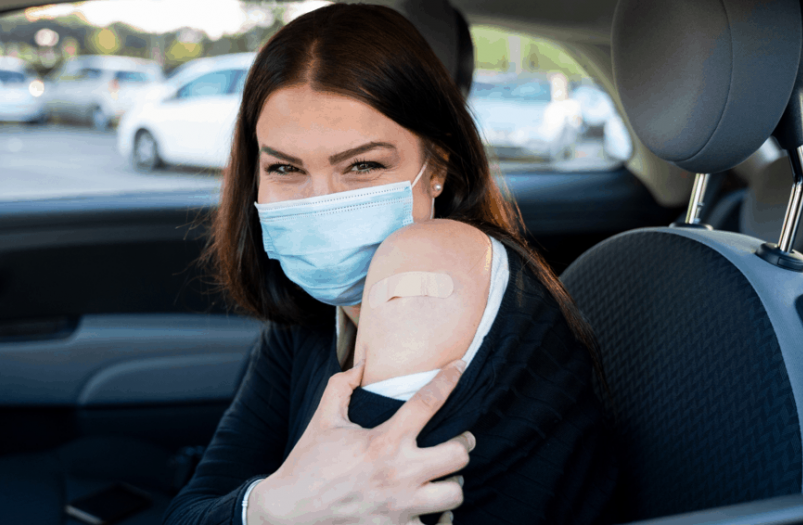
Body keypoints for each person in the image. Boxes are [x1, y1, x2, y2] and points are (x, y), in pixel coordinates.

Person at [164, 4, 617, 525]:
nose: (321, 202)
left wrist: (272, 507)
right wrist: (267, 508)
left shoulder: (431, 260)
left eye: (363, 165)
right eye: (285, 167)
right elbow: (189, 510)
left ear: (438, 168)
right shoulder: (313, 316)